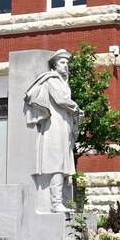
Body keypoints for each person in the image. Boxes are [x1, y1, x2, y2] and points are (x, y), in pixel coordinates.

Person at [23, 50, 83, 212]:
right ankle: (55, 203)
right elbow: (60, 99)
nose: (66, 66)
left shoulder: (64, 82)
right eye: (62, 63)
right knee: (57, 162)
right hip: (54, 126)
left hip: (64, 125)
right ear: (55, 65)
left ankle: (61, 200)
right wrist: (76, 107)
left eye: (67, 63)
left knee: (64, 161)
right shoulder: (52, 80)